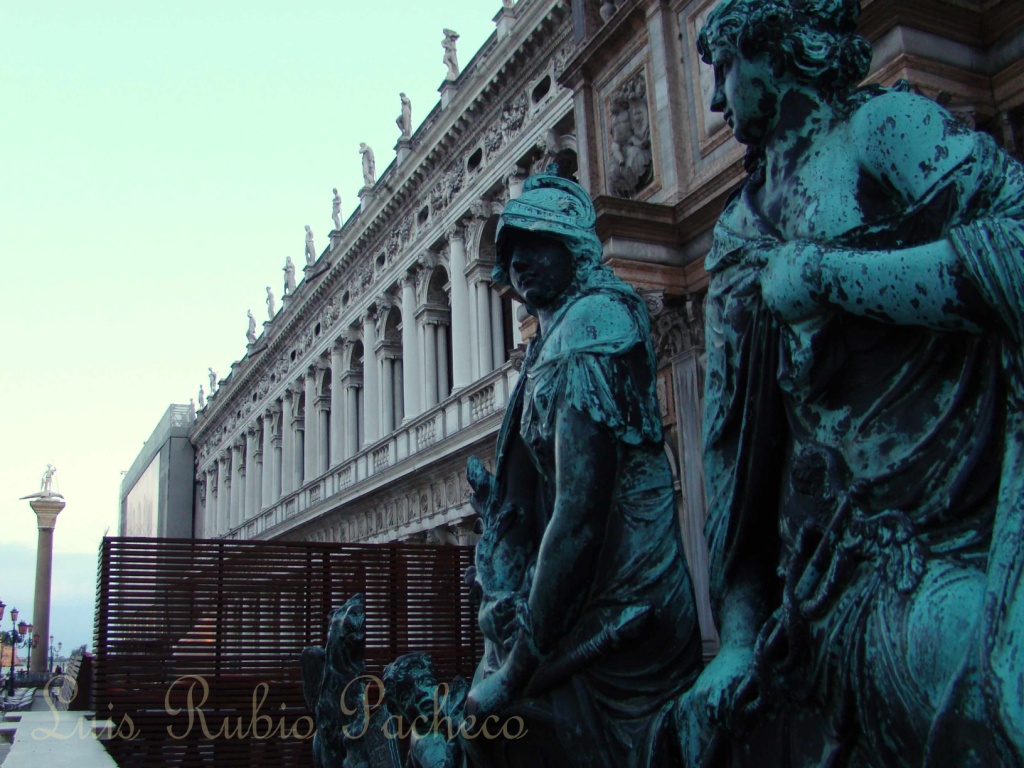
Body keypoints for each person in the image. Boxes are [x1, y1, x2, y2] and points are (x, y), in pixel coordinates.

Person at [684, 0, 1024, 764]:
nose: (713, 100)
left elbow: (1018, 249)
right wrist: (736, 639)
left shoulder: (887, 130)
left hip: (941, 544)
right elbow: (733, 463)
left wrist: (833, 275)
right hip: (815, 589)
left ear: (775, 49)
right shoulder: (737, 234)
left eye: (724, 68)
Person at [464, 171, 702, 767]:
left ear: (573, 245)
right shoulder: (548, 341)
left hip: (624, 607)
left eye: (536, 243)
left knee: (497, 729)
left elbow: (577, 514)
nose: (519, 261)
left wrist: (517, 669)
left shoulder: (596, 324)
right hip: (580, 603)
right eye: (510, 250)